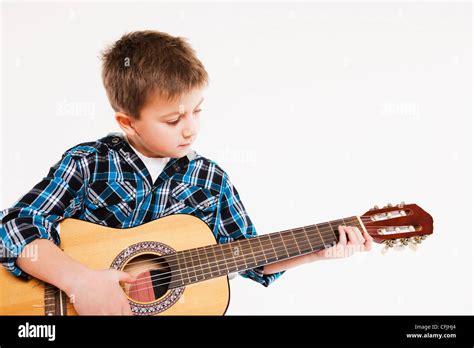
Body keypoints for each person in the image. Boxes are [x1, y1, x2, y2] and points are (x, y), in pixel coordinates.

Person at [0, 30, 373, 315]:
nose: (190, 129)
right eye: (174, 119)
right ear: (127, 122)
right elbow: (16, 224)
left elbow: (252, 258)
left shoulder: (210, 181)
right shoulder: (89, 162)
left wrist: (319, 251)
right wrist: (80, 281)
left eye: (197, 111)